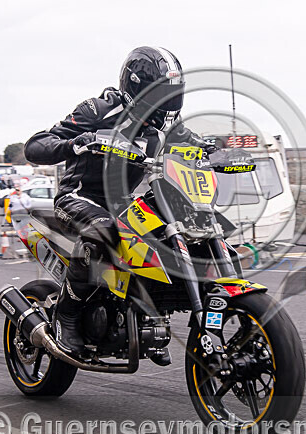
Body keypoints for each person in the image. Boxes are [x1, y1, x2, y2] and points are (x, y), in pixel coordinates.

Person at [24, 46, 205, 363]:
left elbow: (196, 144)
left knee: (173, 230)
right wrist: (75, 143)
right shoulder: (99, 109)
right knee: (105, 231)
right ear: (136, 87)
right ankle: (67, 315)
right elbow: (36, 145)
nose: (168, 103)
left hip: (125, 205)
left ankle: (149, 312)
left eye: (173, 94)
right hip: (79, 197)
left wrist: (216, 151)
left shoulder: (166, 126)